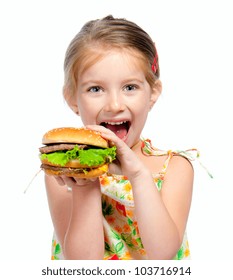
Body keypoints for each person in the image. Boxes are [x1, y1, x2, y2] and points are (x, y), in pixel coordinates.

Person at [45, 15, 195, 260]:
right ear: (73, 98)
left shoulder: (176, 167)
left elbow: (163, 254)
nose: (114, 105)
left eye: (129, 87)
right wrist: (86, 184)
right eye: (96, 89)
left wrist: (137, 175)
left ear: (153, 93)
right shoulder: (62, 171)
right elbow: (82, 265)